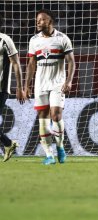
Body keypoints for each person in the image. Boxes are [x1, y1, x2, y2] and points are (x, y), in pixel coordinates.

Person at [24, 9, 75, 165]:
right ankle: (49, 155)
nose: (38, 22)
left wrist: (69, 81)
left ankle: (60, 146)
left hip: (57, 83)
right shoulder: (34, 40)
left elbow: (71, 62)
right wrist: (27, 85)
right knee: (43, 120)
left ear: (50, 21)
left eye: (42, 19)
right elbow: (31, 64)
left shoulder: (62, 38)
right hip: (40, 84)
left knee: (56, 116)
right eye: (37, 20)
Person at [0, 14, 26, 162]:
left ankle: (8, 144)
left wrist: (20, 87)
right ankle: (8, 144)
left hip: (1, 88)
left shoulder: (5, 39)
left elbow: (16, 63)